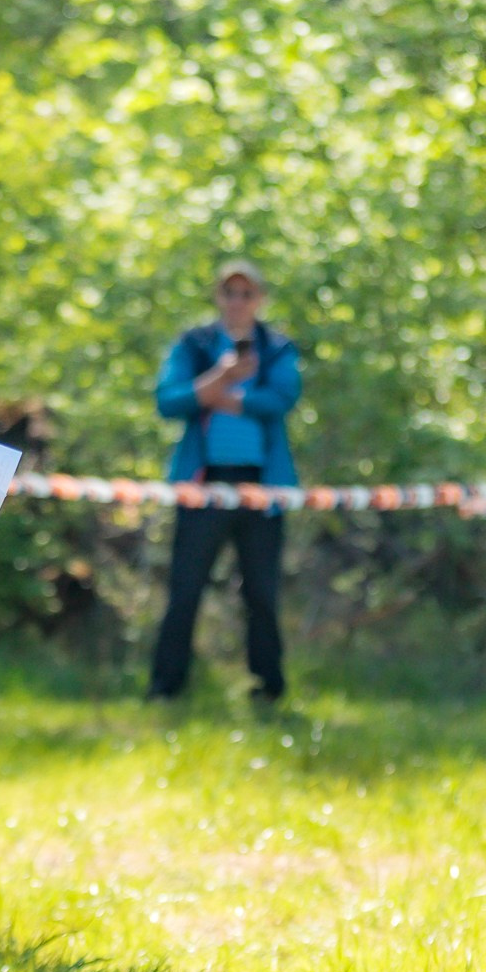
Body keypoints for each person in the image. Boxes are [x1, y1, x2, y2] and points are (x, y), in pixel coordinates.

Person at [149, 261, 302, 703]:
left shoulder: (276, 347)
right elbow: (168, 400)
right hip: (203, 484)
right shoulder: (195, 344)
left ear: (260, 299)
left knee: (262, 592)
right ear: (218, 297)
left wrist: (223, 399)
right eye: (229, 293)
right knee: (185, 588)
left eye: (246, 293)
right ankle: (166, 688)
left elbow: (283, 398)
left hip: (262, 487)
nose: (237, 302)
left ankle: (268, 688)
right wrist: (222, 377)